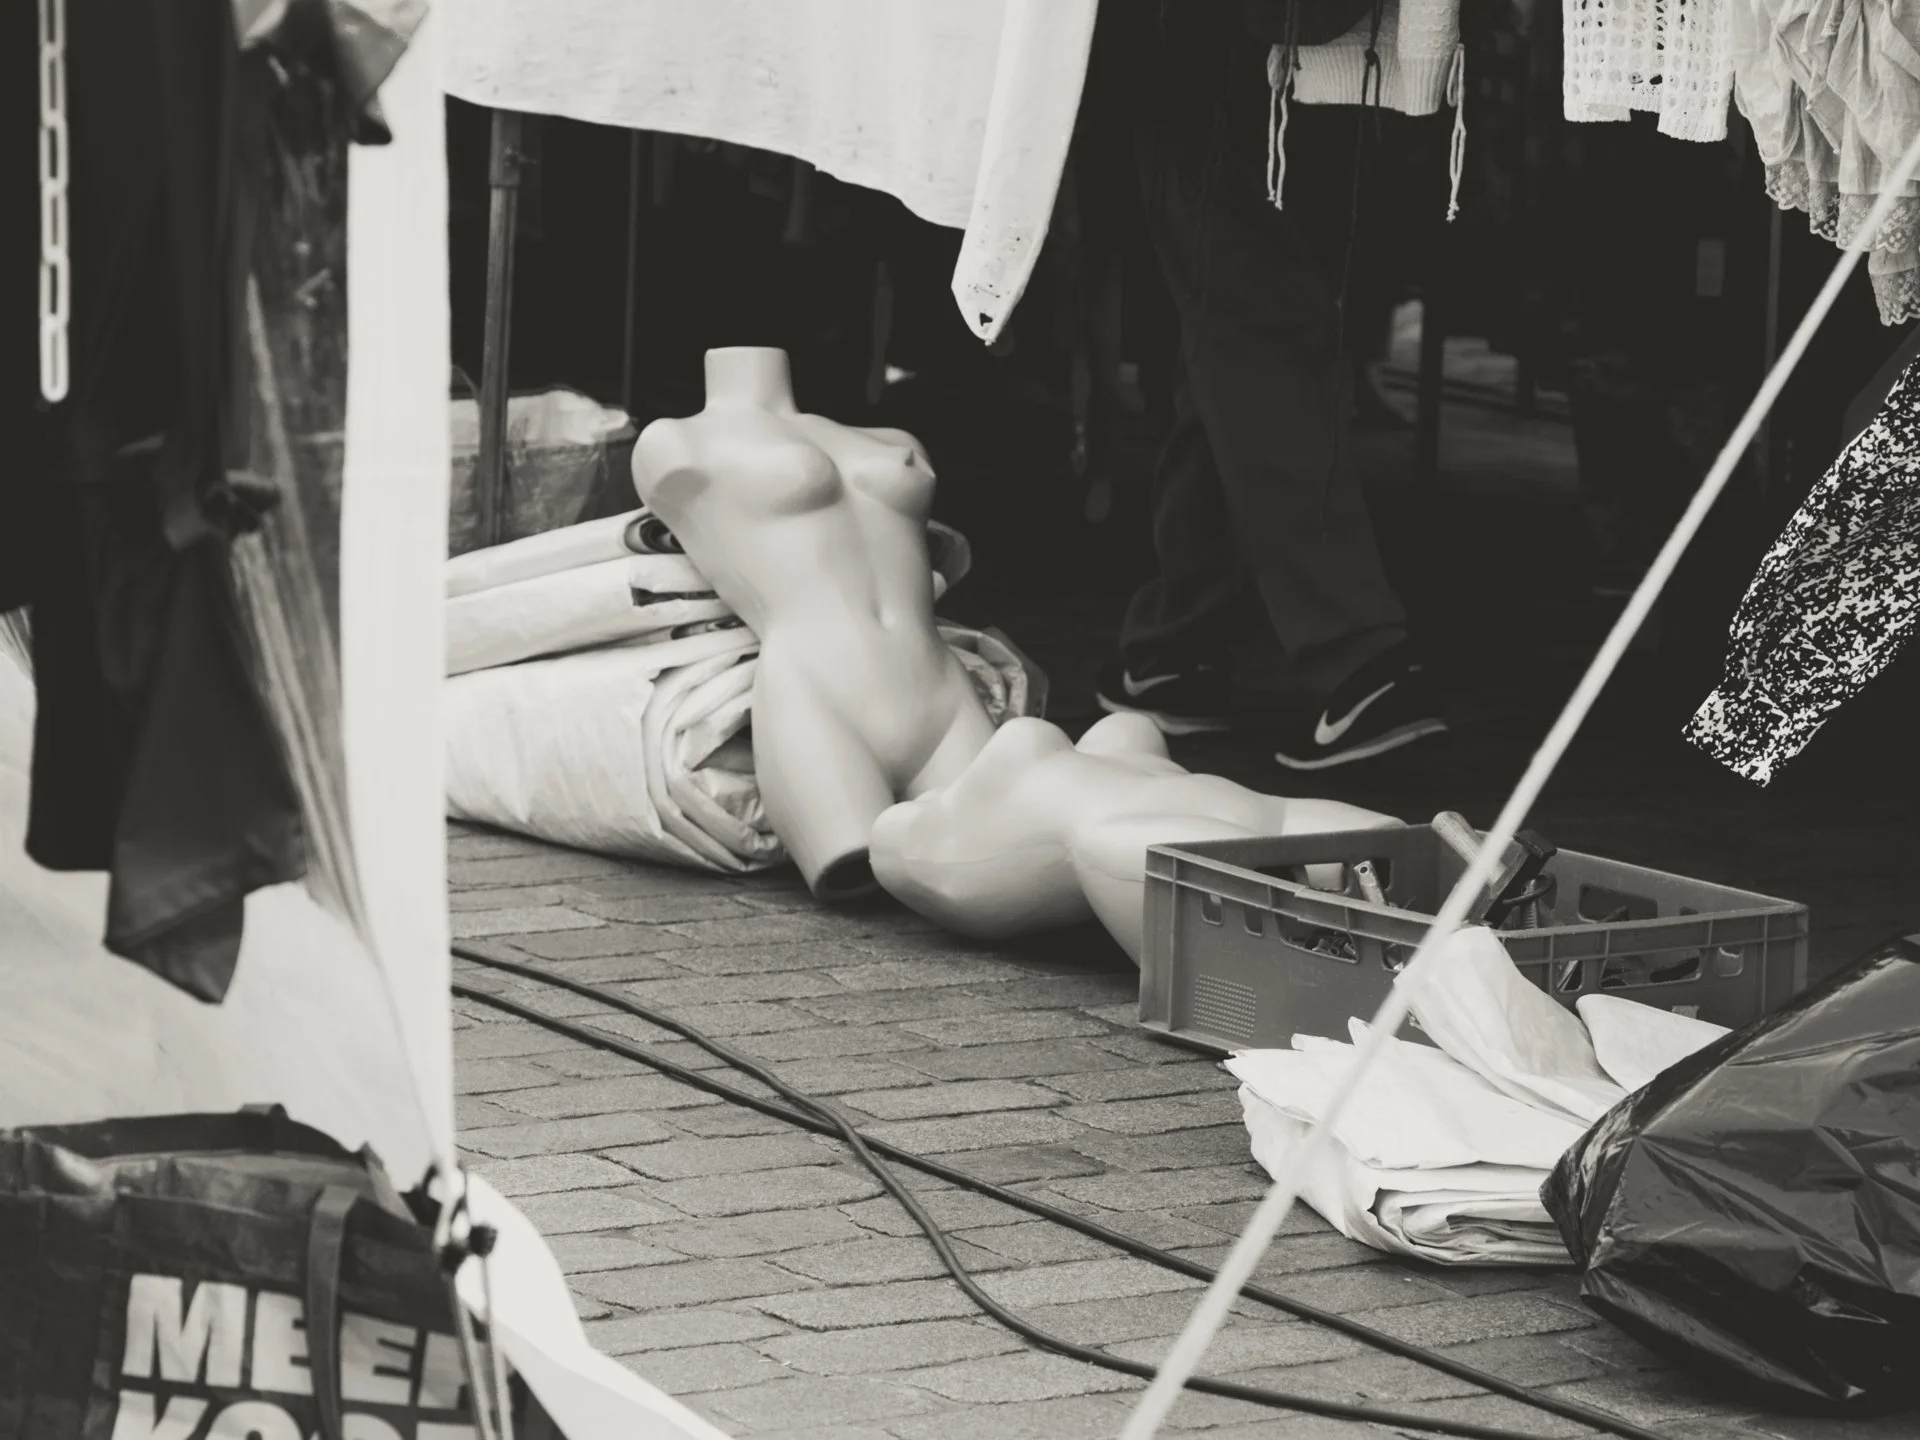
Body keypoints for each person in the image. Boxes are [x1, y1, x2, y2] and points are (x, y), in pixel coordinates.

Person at [1091, 0, 1447, 769]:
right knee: (1240, 323)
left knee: (1248, 311)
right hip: (1284, 44)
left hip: (1205, 38)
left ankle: (1357, 655)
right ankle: (1173, 641)